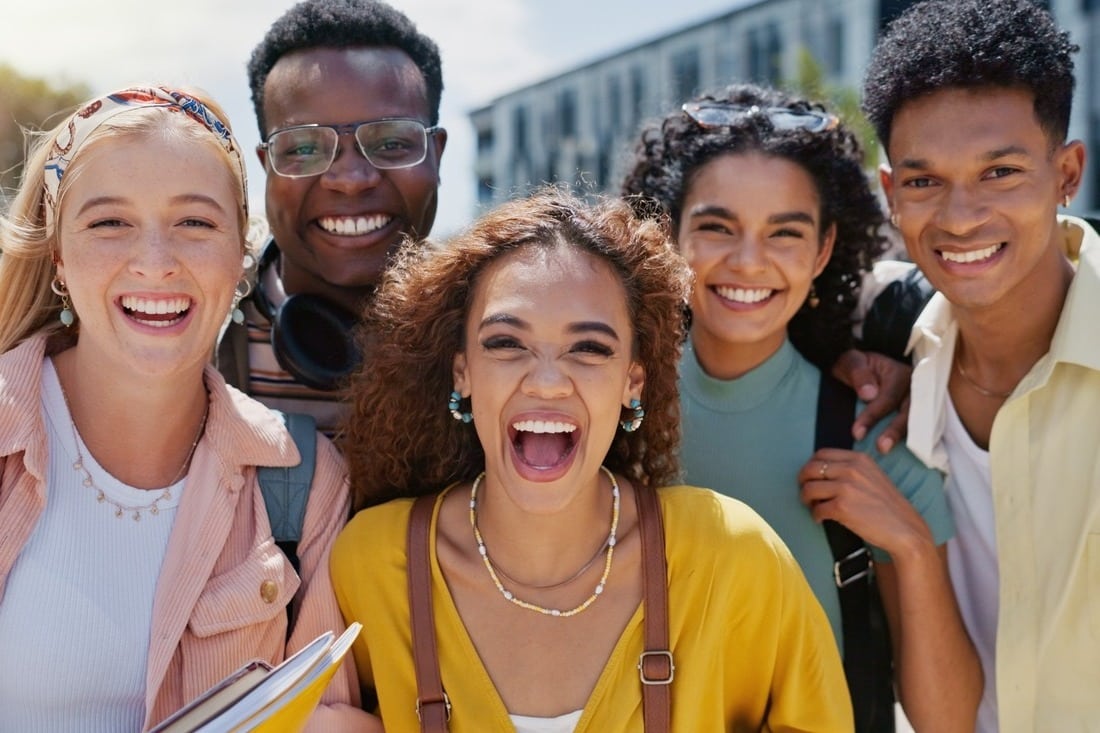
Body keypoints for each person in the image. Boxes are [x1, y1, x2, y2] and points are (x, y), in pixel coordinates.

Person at [329, 188, 852, 730]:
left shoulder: (733, 556)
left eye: (590, 348)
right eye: (507, 343)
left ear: (633, 381)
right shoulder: (372, 563)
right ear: (462, 371)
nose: (549, 382)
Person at [0, 86, 372, 731]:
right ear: (59, 257)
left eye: (195, 223)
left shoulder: (303, 480)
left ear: (240, 259)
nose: (156, 263)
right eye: (109, 222)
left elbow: (336, 713)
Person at [621, 83, 981, 731]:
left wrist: (910, 545)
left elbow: (947, 719)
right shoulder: (606, 422)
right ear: (667, 235)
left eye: (784, 234)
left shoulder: (869, 437)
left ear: (821, 251)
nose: (749, 262)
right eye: (716, 227)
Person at [863, 0, 1100, 730]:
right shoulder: (897, 348)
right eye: (925, 180)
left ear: (1066, 173)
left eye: (1000, 171)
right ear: (890, 193)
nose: (960, 217)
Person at [217, 0, 447, 433]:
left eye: (392, 141)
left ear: (436, 155)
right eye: (304, 147)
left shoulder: (500, 332)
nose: (351, 180)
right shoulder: (194, 331)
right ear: (267, 166)